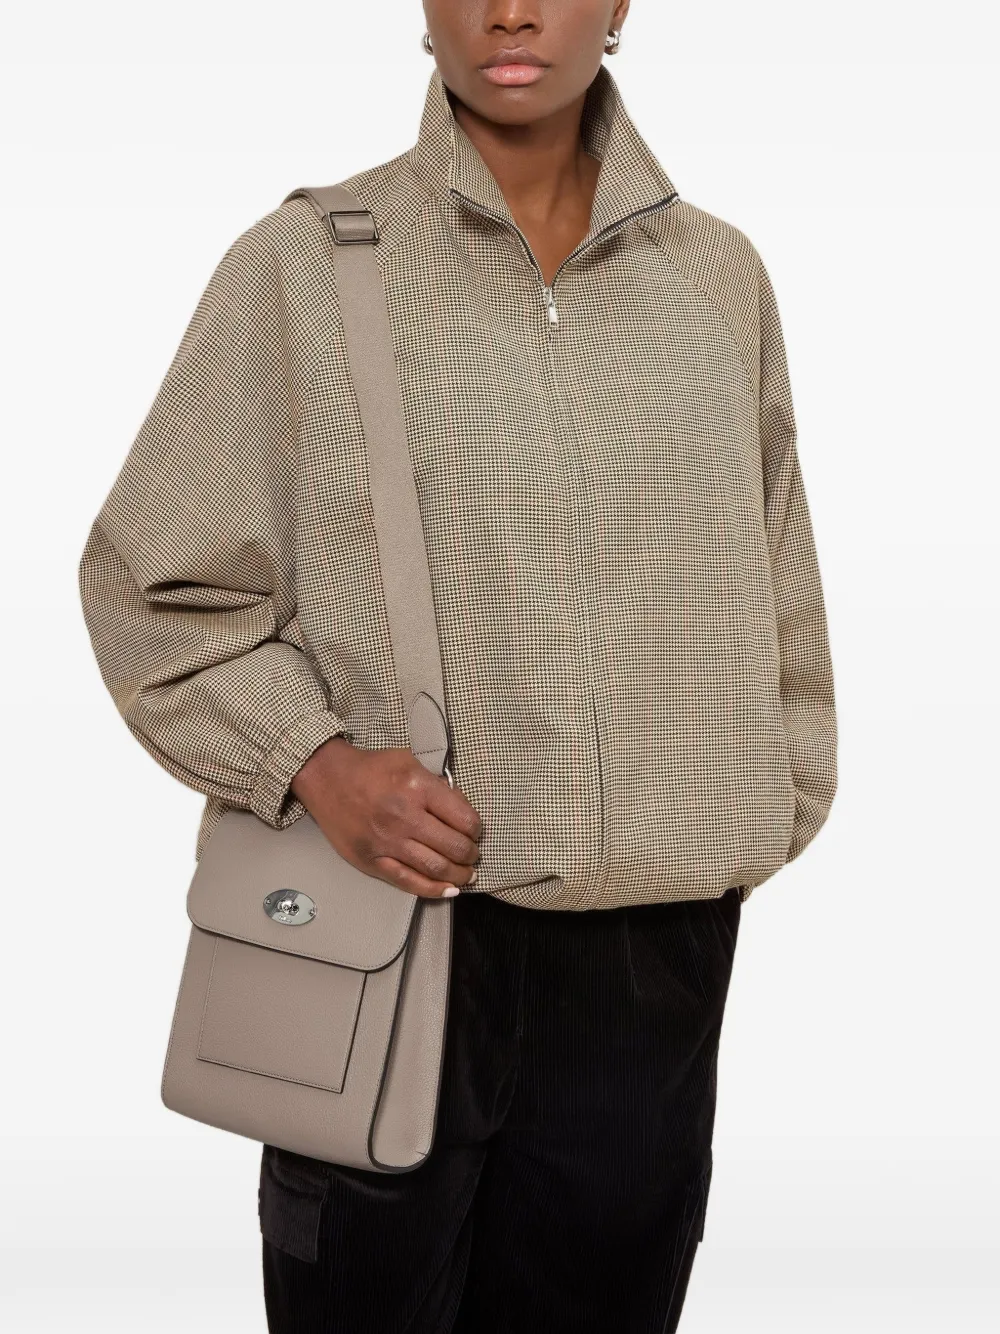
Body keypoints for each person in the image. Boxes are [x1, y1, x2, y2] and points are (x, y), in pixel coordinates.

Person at [77, 2, 838, 1330]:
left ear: (621, 5)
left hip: (652, 959)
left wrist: (757, 803)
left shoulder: (718, 278)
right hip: (398, 931)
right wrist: (313, 765)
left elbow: (776, 576)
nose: (511, 9)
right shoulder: (306, 265)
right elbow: (152, 583)